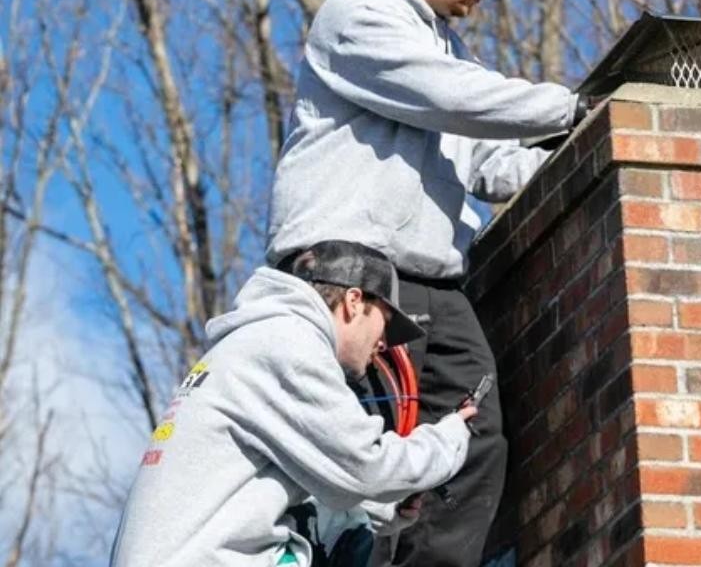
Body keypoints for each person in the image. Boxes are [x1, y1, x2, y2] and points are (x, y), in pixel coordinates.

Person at [265, 0, 592, 566]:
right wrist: (572, 109)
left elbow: (489, 157)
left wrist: (590, 150)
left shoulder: (443, 49)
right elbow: (448, 96)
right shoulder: (359, 15)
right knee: (380, 455)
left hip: (430, 279)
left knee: (476, 440)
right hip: (351, 268)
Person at [110, 240, 477, 567]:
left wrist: (386, 506)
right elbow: (365, 466)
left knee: (350, 524)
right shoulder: (289, 344)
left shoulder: (254, 342)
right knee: (352, 535)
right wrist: (451, 438)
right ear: (353, 301)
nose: (384, 343)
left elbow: (324, 485)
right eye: (384, 323)